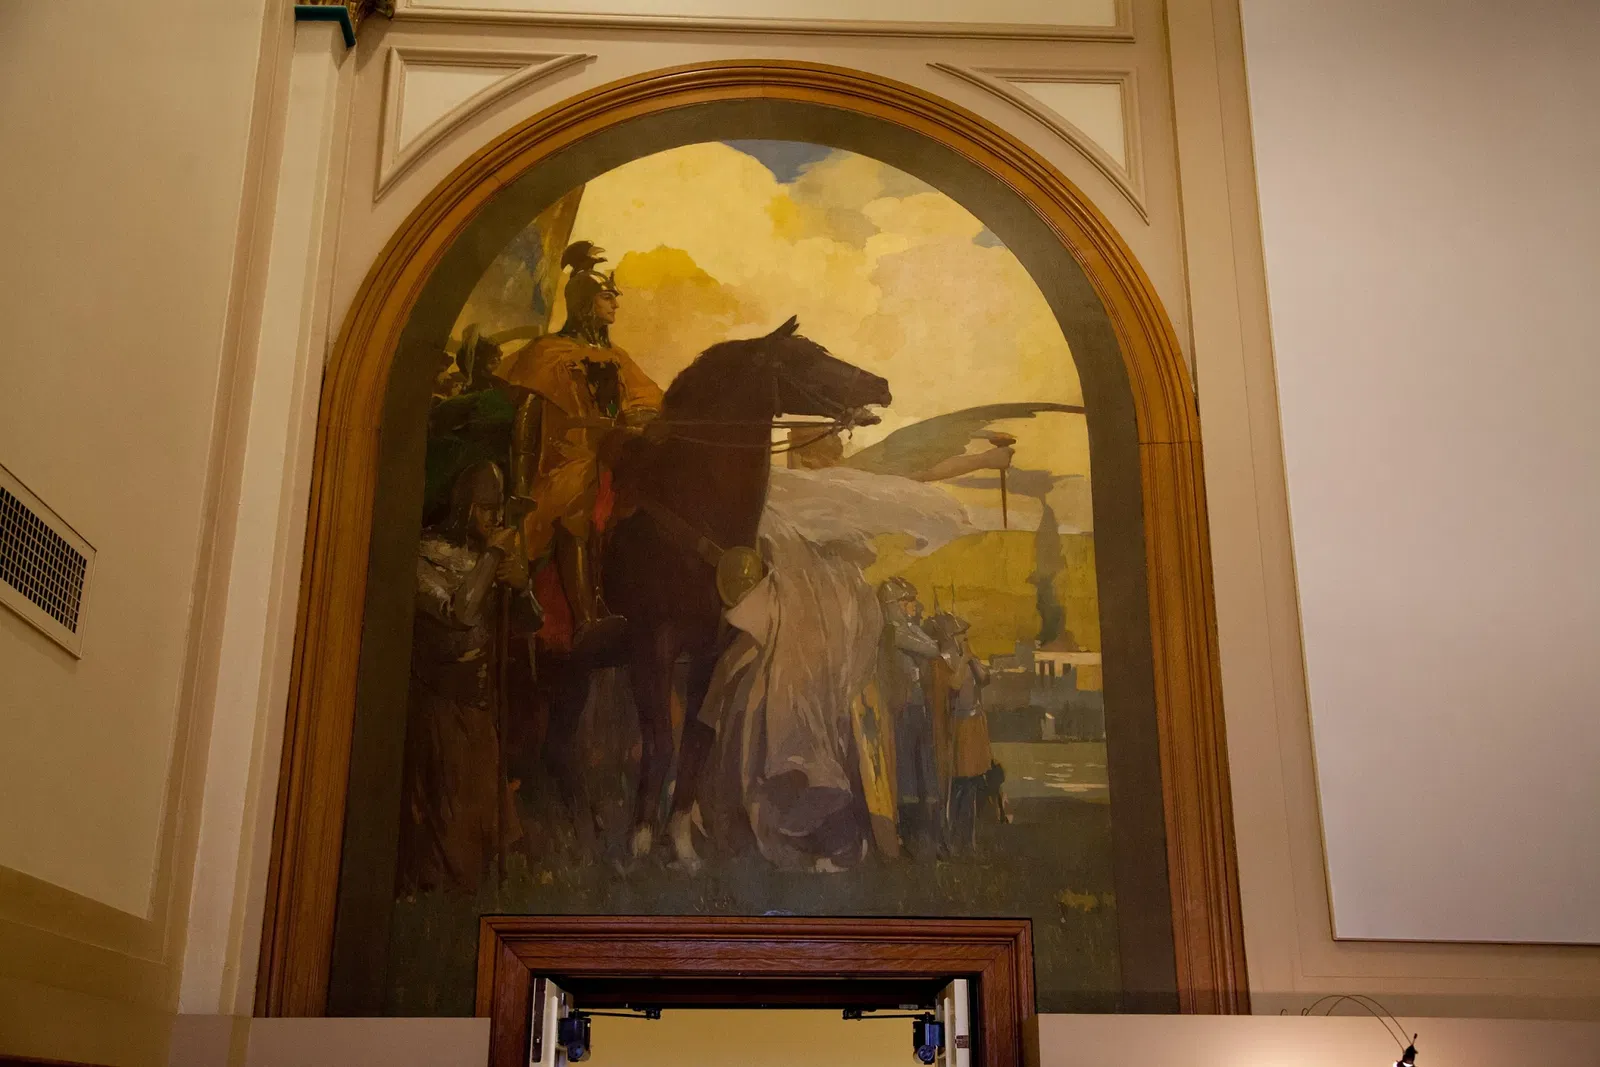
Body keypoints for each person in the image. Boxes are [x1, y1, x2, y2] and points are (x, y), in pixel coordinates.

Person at [494, 241, 664, 658]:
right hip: (559, 462)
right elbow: (525, 424)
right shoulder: (547, 354)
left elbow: (645, 404)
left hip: (607, 455)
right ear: (586, 302)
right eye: (608, 297)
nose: (616, 306)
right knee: (578, 492)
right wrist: (518, 486)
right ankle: (587, 617)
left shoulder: (616, 356)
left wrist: (638, 422)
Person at [396, 461, 533, 895]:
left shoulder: (487, 554)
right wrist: (494, 557)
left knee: (490, 817)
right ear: (465, 507)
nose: (493, 520)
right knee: (450, 826)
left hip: (479, 701)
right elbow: (461, 613)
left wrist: (523, 584)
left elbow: (531, 622)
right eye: (485, 509)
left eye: (497, 511)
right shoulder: (424, 555)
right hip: (439, 700)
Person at [878, 576, 948, 856]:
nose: (912, 606)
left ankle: (925, 834)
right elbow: (932, 648)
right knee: (908, 771)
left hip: (915, 704)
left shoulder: (904, 628)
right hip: (905, 706)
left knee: (923, 768)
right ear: (894, 605)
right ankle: (912, 835)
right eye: (907, 601)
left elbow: (929, 644)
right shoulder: (895, 631)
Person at [928, 611, 1000, 853]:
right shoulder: (941, 662)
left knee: (971, 784)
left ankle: (967, 841)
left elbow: (984, 679)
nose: (965, 638)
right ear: (950, 636)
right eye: (961, 634)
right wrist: (964, 660)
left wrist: (971, 660)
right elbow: (953, 687)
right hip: (956, 729)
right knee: (957, 785)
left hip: (973, 725)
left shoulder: (967, 659)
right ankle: (953, 841)